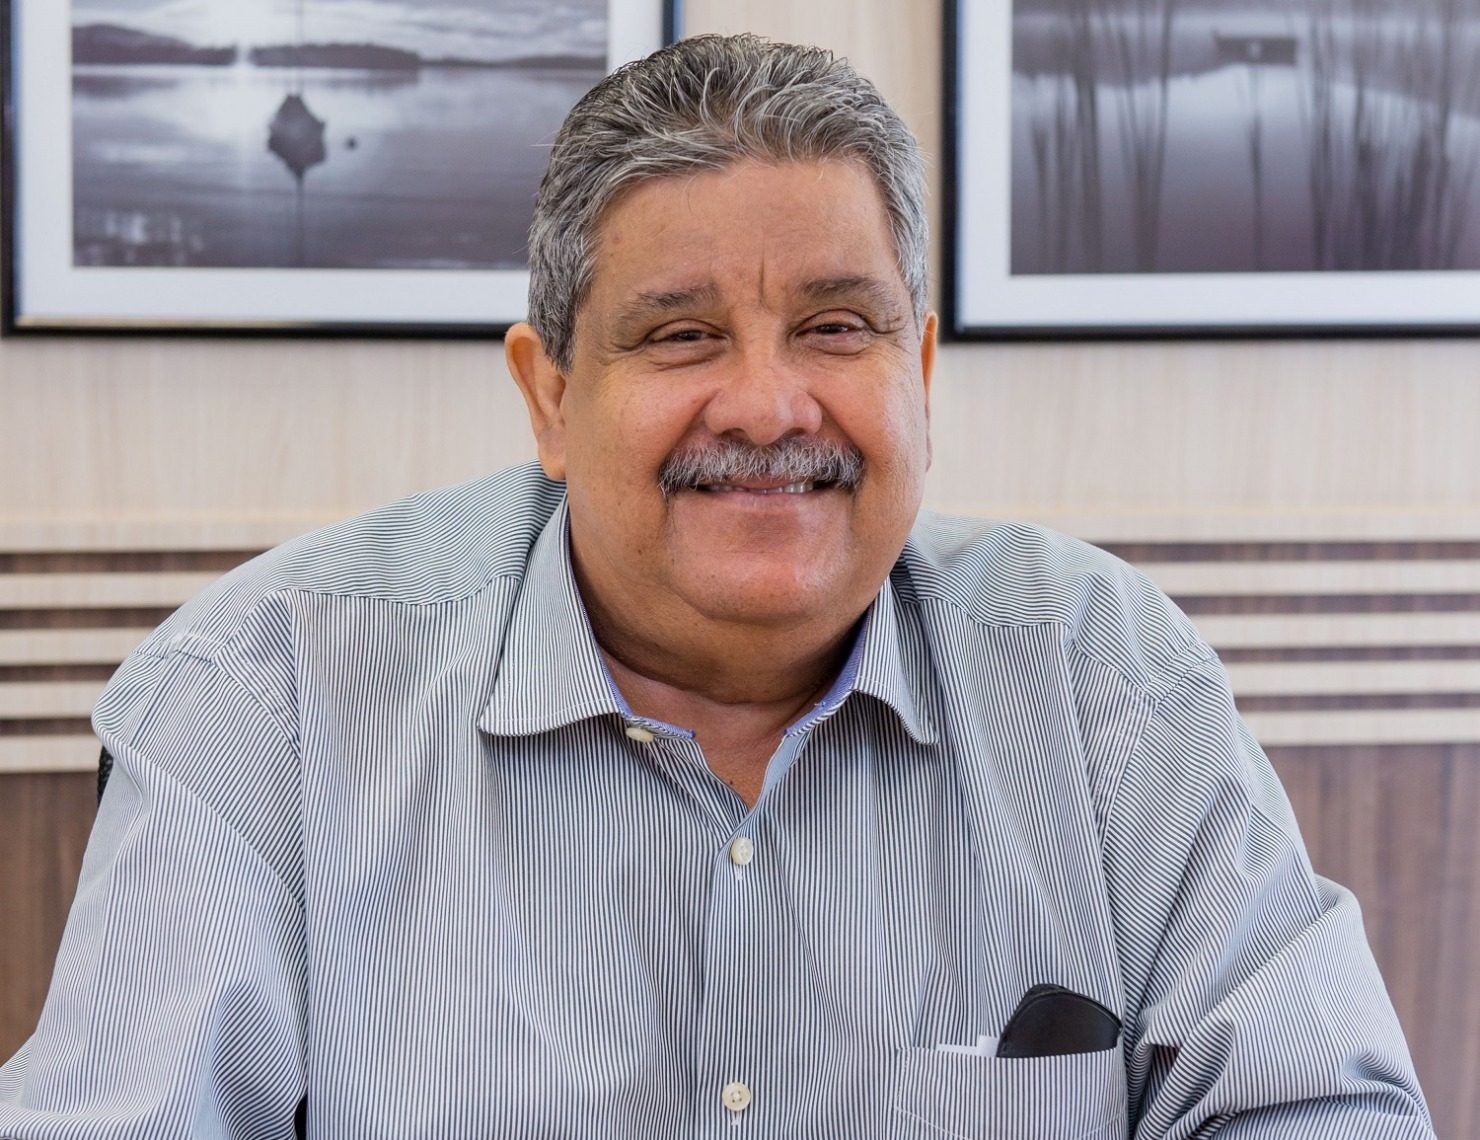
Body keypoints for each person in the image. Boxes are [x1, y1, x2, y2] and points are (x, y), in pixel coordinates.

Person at [0, 33, 1434, 1139]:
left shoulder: (1105, 676)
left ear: (920, 373)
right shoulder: (265, 699)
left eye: (836, 325)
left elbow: (1321, 1101)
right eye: (681, 335)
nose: (766, 404)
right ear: (550, 396)